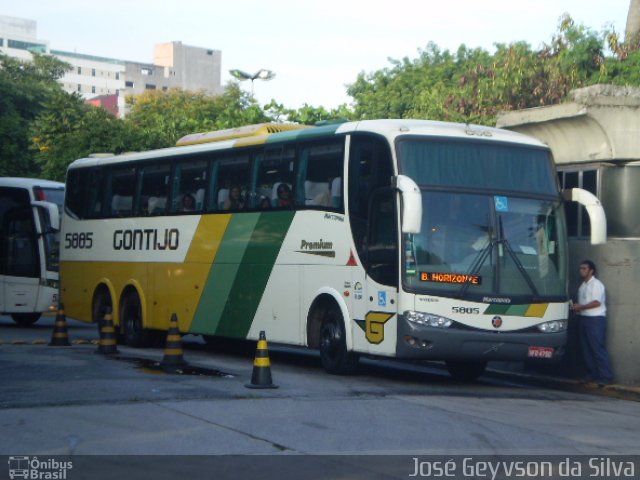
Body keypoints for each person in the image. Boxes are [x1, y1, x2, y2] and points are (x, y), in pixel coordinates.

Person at [570, 260, 614, 387]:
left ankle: (605, 376)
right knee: (586, 349)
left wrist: (581, 306)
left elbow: (597, 302)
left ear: (591, 270)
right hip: (584, 318)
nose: (581, 270)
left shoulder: (596, 284)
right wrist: (577, 309)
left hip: (595, 320)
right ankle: (592, 374)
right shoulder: (582, 286)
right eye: (581, 268)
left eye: (584, 268)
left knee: (597, 349)